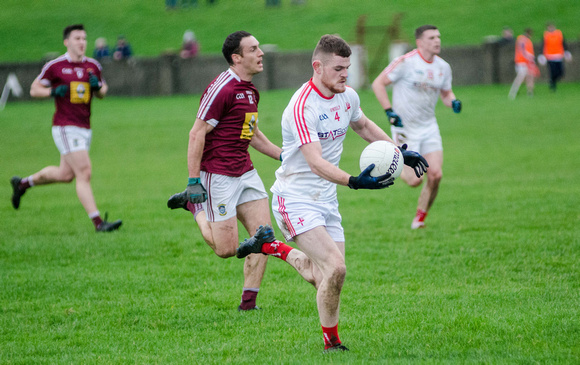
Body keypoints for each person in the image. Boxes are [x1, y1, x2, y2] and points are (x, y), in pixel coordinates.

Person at [235, 34, 428, 352]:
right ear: (318, 66)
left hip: (326, 199)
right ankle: (332, 344)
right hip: (294, 197)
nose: (345, 74)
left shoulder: (347, 96)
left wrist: (399, 152)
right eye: (338, 68)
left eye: (347, 68)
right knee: (336, 269)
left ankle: (269, 246)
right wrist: (354, 181)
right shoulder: (301, 107)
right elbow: (315, 162)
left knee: (321, 275)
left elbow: (364, 126)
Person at [166, 31, 283, 311]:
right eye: (253, 49)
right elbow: (196, 134)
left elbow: (252, 135)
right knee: (226, 250)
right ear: (236, 57)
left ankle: (248, 305)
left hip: (244, 170)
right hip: (217, 173)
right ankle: (195, 209)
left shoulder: (250, 89)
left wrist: (284, 156)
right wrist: (194, 181)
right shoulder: (222, 88)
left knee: (264, 235)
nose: (261, 53)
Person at [10, 24, 122, 232]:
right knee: (84, 172)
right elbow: (34, 89)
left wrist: (97, 86)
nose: (82, 43)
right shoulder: (56, 66)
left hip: (85, 127)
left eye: (84, 38)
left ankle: (23, 184)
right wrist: (53, 91)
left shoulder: (93, 66)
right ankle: (99, 223)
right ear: (66, 42)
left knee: (65, 175)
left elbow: (103, 92)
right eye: (77, 38)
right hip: (64, 126)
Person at [371, 24, 462, 229]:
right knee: (414, 181)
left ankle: (419, 218)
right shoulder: (405, 62)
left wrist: (453, 102)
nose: (437, 41)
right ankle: (390, 161)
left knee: (436, 175)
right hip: (406, 129)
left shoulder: (443, 67)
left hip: (429, 127)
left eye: (438, 37)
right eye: (431, 38)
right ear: (420, 42)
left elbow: (446, 94)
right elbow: (378, 83)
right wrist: (389, 111)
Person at [538, 22, 573, 91]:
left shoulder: (559, 34)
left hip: (559, 56)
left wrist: (566, 52)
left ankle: (553, 80)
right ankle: (553, 84)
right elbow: (543, 45)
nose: (551, 28)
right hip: (550, 57)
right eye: (549, 27)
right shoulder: (546, 35)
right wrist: (541, 55)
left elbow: (563, 43)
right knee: (552, 71)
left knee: (560, 72)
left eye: (552, 27)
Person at [508, 28, 538, 99]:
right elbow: (523, 51)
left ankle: (530, 93)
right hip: (521, 62)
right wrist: (530, 57)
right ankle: (513, 92)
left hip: (525, 62)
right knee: (520, 77)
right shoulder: (522, 40)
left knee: (529, 77)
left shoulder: (524, 40)